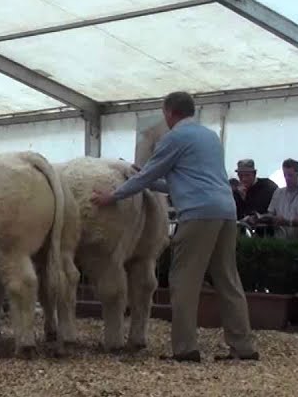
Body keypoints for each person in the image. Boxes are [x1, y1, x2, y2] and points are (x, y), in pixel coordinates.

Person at [91, 91, 258, 363]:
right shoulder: (210, 137)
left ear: (169, 113)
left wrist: (113, 195)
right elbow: (173, 183)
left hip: (198, 214)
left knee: (183, 280)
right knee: (228, 279)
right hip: (227, 212)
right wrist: (141, 178)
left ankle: (185, 348)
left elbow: (148, 174)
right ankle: (243, 346)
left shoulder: (175, 138)